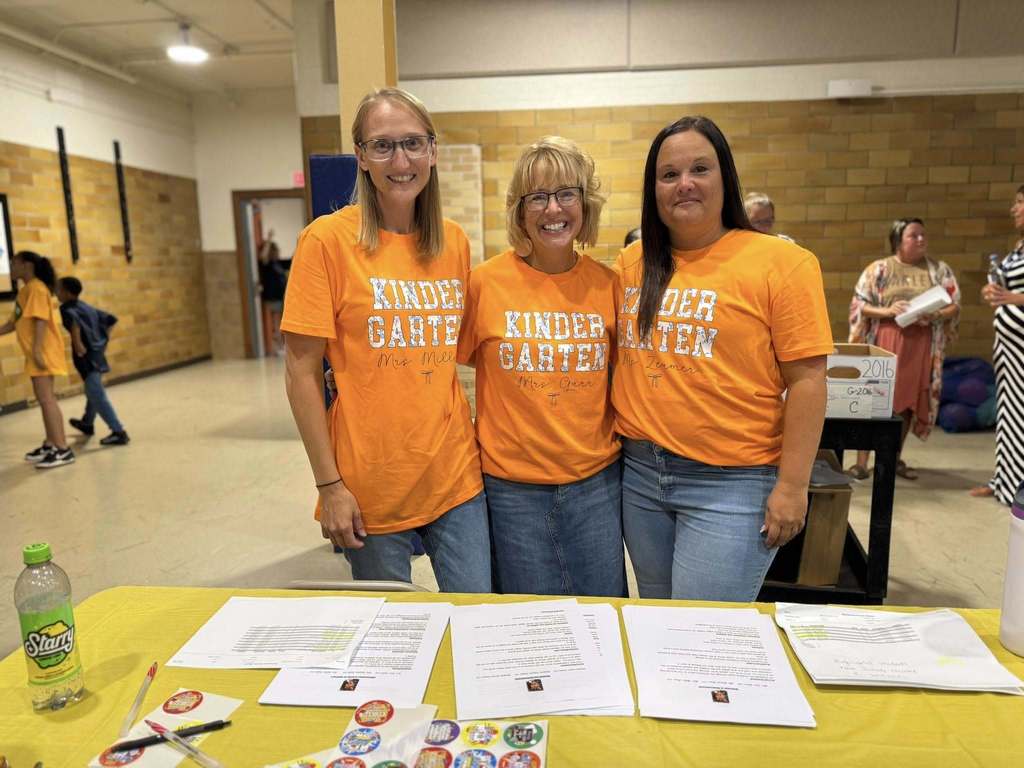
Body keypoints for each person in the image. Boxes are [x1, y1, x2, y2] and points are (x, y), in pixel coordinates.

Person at [613, 116, 833, 601]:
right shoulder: (632, 264)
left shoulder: (783, 262)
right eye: (668, 174)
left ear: (725, 177)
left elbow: (809, 381)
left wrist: (794, 487)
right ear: (653, 189)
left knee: (704, 634)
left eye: (700, 169)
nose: (684, 183)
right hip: (642, 474)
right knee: (656, 613)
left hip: (732, 482)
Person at [281, 87, 490, 592]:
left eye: (414, 143)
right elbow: (301, 371)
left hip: (456, 472)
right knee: (390, 637)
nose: (401, 159)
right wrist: (330, 486)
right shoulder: (326, 241)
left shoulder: (453, 240)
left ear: (433, 151)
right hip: (369, 480)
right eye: (383, 145)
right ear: (361, 157)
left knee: (476, 614)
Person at [458, 136, 623, 597]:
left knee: (600, 615)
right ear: (520, 211)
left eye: (567, 193)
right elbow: (437, 360)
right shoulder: (483, 284)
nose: (554, 209)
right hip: (512, 490)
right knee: (527, 624)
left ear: (585, 205)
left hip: (596, 486)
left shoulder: (608, 286)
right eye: (538, 197)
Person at [846, 218, 961, 480]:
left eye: (923, 235)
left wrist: (934, 315)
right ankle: (861, 462)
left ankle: (892, 459)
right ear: (898, 240)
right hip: (886, 342)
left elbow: (954, 303)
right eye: (914, 236)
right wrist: (887, 310)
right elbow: (859, 304)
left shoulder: (938, 270)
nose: (921, 240)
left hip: (920, 345)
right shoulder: (879, 269)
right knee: (874, 399)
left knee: (907, 403)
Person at [0, 251, 74, 468]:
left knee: (47, 400)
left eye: (13, 264)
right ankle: (51, 444)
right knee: (45, 399)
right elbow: (13, 323)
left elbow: (41, 321)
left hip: (42, 351)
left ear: (27, 265)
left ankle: (63, 449)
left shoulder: (37, 288)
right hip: (36, 352)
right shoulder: (26, 290)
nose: (10, 268)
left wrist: (38, 351)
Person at [974, 185, 1024, 503]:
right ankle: (1004, 481)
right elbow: (1005, 287)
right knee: (1008, 413)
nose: (1014, 209)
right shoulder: (1018, 248)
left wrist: (1016, 298)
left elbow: (1016, 293)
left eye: (1020, 203)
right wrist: (991, 293)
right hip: (1009, 347)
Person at [56, 276, 129, 446]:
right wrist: (103, 341)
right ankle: (87, 423)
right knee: (92, 389)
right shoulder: (86, 306)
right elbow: (111, 320)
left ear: (67, 292)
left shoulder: (66, 309)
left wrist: (78, 344)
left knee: (96, 392)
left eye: (58, 289)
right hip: (96, 354)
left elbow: (74, 325)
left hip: (86, 357)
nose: (56, 292)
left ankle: (119, 432)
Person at [258, 231, 290, 356]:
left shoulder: (278, 264)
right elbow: (264, 256)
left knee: (279, 323)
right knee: (275, 323)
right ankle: (276, 347)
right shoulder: (267, 265)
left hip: (281, 297)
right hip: (272, 297)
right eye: (275, 252)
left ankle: (280, 345)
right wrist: (269, 240)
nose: (277, 253)